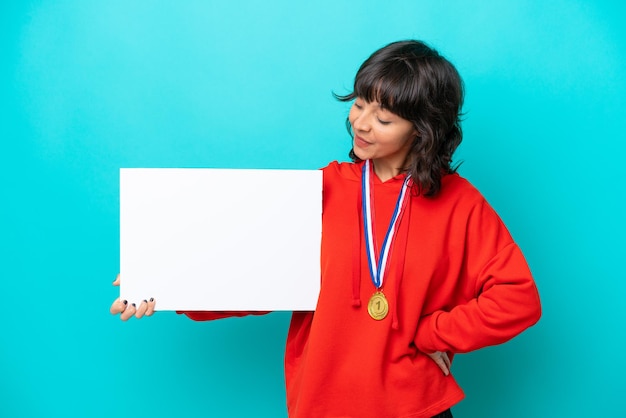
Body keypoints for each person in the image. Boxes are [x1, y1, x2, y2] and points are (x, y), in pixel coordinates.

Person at [111, 40, 541, 418]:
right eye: (358, 104)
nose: (361, 123)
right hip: (322, 404)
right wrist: (167, 284)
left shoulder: (460, 203)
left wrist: (432, 332)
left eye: (384, 118)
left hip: (414, 407)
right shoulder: (320, 190)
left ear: (423, 129)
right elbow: (254, 277)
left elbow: (518, 299)